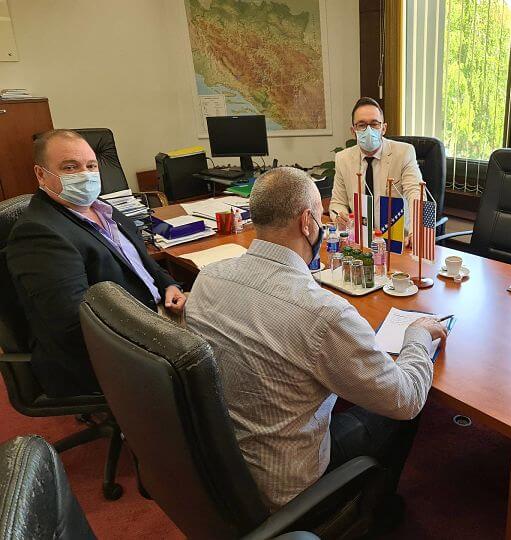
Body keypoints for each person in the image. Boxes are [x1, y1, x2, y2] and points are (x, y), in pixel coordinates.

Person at [185, 167, 446, 518]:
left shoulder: (208, 278)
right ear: (307, 222)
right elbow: (405, 399)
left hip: (223, 460)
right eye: (321, 217)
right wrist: (416, 336)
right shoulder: (323, 313)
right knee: (408, 401)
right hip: (287, 485)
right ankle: (377, 510)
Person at [6, 129, 185, 397]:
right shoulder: (38, 234)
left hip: (155, 313)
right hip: (116, 348)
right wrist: (159, 333)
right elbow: (73, 325)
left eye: (91, 166)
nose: (85, 175)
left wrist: (169, 284)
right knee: (223, 348)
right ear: (41, 174)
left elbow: (141, 263)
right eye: (70, 167)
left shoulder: (103, 209)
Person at [330, 97, 422, 243]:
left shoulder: (404, 153)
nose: (368, 130)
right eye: (361, 125)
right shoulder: (343, 158)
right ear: (353, 131)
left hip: (397, 239)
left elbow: (415, 193)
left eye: (374, 124)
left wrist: (416, 231)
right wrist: (341, 216)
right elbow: (338, 202)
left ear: (383, 128)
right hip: (360, 238)